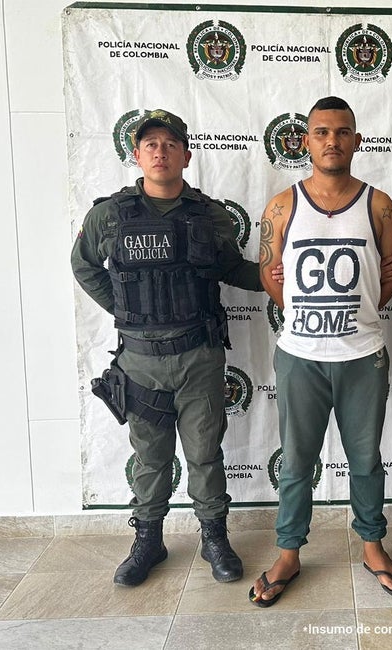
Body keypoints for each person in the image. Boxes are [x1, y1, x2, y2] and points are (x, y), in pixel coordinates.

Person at [71, 109, 272, 587]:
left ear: (186, 155)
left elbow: (232, 269)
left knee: (205, 453)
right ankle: (148, 540)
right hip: (140, 361)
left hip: (199, 355)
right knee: (151, 457)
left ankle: (214, 538)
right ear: (136, 154)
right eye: (151, 144)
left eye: (170, 144)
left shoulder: (210, 215)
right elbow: (84, 267)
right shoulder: (109, 215)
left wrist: (274, 277)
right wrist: (126, 310)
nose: (160, 151)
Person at [251, 96, 392, 606]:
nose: (332, 141)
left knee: (365, 460)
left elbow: (391, 274)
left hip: (362, 355)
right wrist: (304, 313)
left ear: (357, 141)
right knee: (297, 462)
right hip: (300, 355)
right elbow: (269, 273)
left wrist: (356, 313)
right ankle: (288, 553)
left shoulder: (378, 205)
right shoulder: (282, 205)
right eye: (321, 132)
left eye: (342, 132)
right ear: (306, 141)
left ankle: (373, 547)